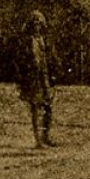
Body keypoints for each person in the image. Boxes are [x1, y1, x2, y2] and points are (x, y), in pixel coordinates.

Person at [17, 9, 57, 148]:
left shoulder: (45, 41)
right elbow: (21, 62)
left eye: (39, 24)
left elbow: (51, 58)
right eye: (34, 24)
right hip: (33, 79)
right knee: (35, 108)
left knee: (48, 107)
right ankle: (38, 139)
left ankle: (46, 136)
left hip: (45, 78)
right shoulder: (27, 42)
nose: (37, 27)